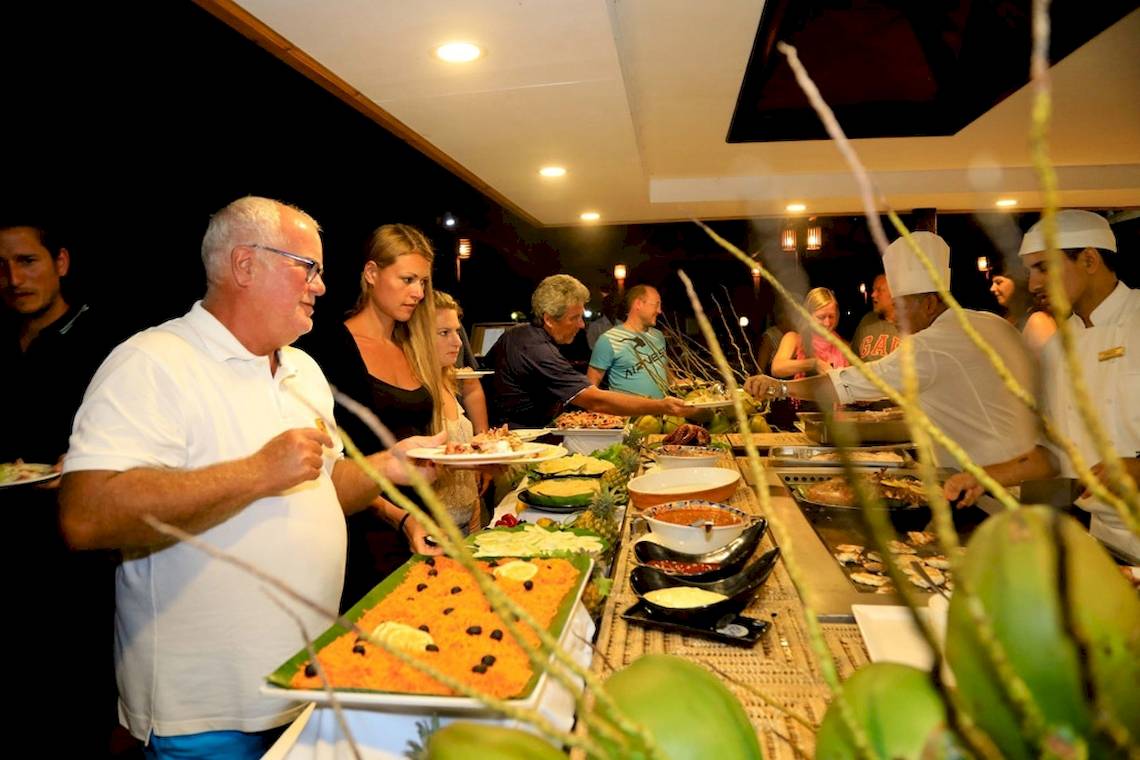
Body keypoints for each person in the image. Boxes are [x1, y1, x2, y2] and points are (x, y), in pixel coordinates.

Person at [58, 197, 441, 759]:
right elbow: (85, 515)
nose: (321, 286)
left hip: (309, 681)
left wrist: (389, 466)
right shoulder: (153, 361)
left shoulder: (302, 367)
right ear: (245, 265)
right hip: (206, 713)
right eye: (307, 267)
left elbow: (325, 487)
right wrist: (256, 472)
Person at [745, 232, 1039, 470]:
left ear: (928, 304)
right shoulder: (990, 322)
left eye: (900, 307)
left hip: (984, 479)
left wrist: (781, 389)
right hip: (1027, 468)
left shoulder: (930, 343)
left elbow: (849, 383)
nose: (896, 318)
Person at [945, 210, 1138, 561]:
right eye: (1030, 271)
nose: (1033, 284)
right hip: (1108, 540)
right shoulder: (1059, 349)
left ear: (1090, 259)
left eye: (1044, 268)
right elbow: (1052, 454)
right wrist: (980, 477)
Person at [1, 222, 125, 756]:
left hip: (75, 560)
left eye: (27, 261)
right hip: (12, 549)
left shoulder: (106, 339)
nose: (13, 278)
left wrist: (88, 460)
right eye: (1, 266)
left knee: (74, 710)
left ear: (62, 262)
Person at [301, 223, 456, 608]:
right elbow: (334, 467)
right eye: (407, 279)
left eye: (422, 281)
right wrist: (399, 517)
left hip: (418, 519)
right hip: (366, 531)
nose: (418, 292)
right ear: (371, 274)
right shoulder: (331, 347)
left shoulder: (410, 345)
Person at [485, 274, 694, 428]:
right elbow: (595, 399)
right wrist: (662, 406)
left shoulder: (516, 334)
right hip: (519, 440)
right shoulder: (538, 350)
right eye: (574, 318)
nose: (582, 325)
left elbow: (483, 373)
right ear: (548, 318)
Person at [432, 290, 486, 534]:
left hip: (467, 521)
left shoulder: (449, 380)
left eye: (457, 331)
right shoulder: (415, 395)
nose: (459, 342)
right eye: (445, 333)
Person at [587, 284, 670, 398]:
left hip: (663, 412)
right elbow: (591, 386)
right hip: (628, 415)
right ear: (639, 304)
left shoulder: (658, 335)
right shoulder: (608, 340)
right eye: (656, 304)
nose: (659, 311)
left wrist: (678, 382)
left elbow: (664, 368)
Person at [770, 287, 852, 379]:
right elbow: (776, 368)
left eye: (831, 316)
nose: (827, 323)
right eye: (821, 317)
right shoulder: (794, 338)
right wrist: (813, 363)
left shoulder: (841, 345)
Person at [990, 266, 1057, 355]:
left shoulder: (1038, 321)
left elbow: (1052, 366)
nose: (992, 288)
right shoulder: (1010, 318)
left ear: (1017, 282)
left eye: (998, 282)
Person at [851, 273, 900, 361]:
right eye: (873, 290)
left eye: (879, 290)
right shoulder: (867, 320)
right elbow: (852, 357)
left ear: (894, 294)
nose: (873, 295)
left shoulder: (911, 326)